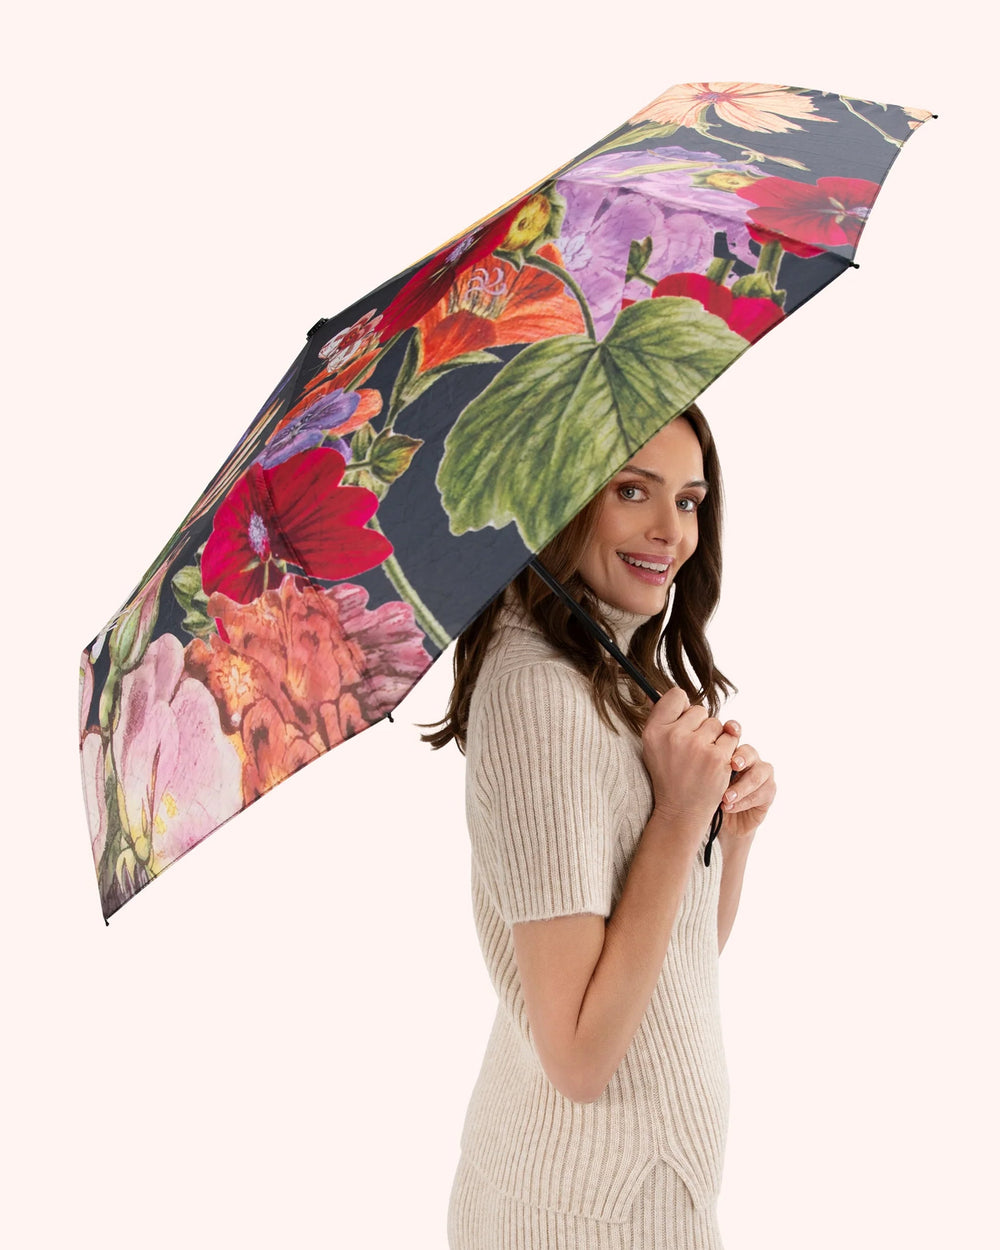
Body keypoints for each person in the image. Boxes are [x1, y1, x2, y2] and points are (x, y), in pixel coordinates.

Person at [419, 401, 776, 1249]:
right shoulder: (538, 693)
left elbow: (672, 971)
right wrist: (677, 817)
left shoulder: (610, 672)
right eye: (631, 491)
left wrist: (727, 828)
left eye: (689, 501)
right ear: (559, 496)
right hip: (582, 1214)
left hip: (634, 1200)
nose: (670, 532)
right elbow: (580, 1057)